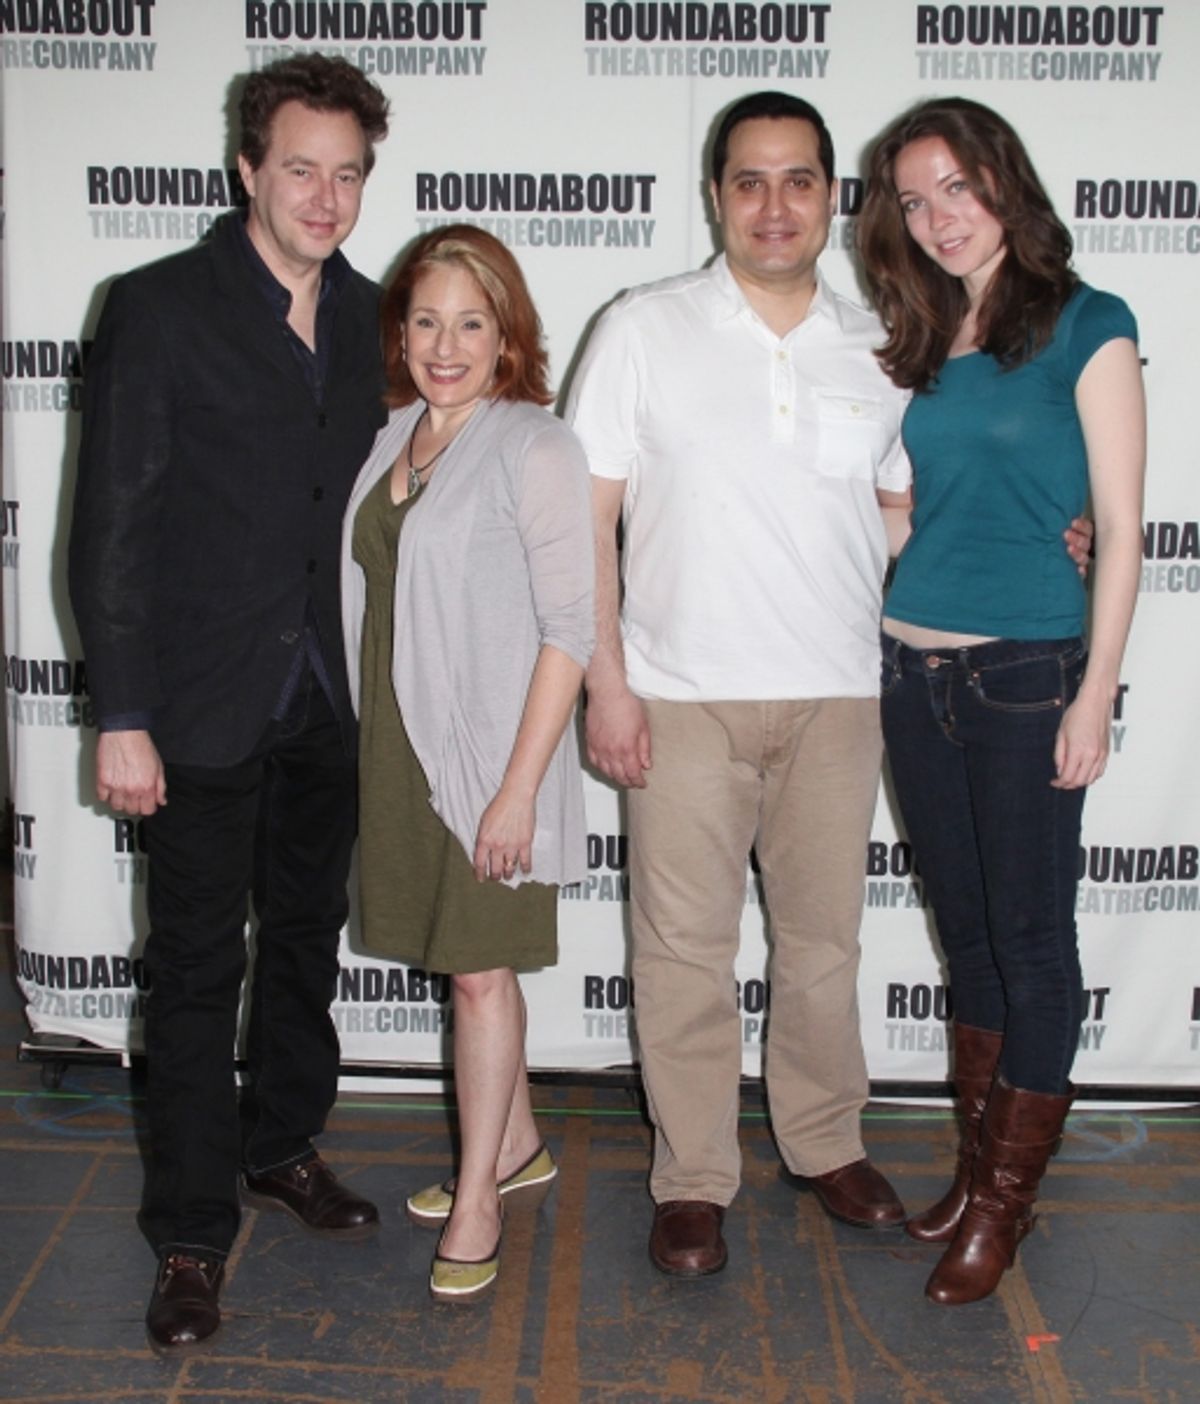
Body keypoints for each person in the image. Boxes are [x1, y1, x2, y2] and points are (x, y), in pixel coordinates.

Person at [68, 55, 391, 1352]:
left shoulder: (376, 315)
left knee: (306, 941)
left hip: (331, 693)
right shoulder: (158, 306)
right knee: (198, 970)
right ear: (247, 168)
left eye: (349, 173)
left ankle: (281, 1147)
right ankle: (192, 1233)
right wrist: (120, 710)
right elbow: (110, 529)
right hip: (195, 700)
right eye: (300, 168)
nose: (325, 196)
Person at [566, 91, 916, 1278]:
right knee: (683, 951)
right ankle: (695, 1179)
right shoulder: (642, 328)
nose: (775, 205)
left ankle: (824, 1143)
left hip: (837, 696)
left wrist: (1038, 545)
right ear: (715, 194)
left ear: (832, 195)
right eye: (750, 181)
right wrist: (604, 685)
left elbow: (903, 514)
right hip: (679, 694)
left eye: (800, 180)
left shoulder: (882, 344)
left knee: (823, 947)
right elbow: (587, 523)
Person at [858, 97, 1145, 1305]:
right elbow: (911, 503)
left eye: (956, 190)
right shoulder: (917, 335)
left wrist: (1095, 696)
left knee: (1032, 942)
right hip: (909, 670)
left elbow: (1124, 531)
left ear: (1004, 184)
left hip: (1028, 673)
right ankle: (975, 1179)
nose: (938, 220)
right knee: (966, 936)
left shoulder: (1091, 325)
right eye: (914, 203)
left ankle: (1005, 1209)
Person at [339, 225, 594, 1303]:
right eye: (428, 320)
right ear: (402, 330)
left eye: (472, 323)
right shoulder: (392, 433)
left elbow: (571, 628)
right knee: (458, 961)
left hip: (494, 756)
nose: (447, 345)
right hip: (400, 746)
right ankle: (518, 1143)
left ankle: (481, 1196)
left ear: (509, 335)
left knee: (483, 976)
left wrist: (517, 790)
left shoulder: (536, 446)